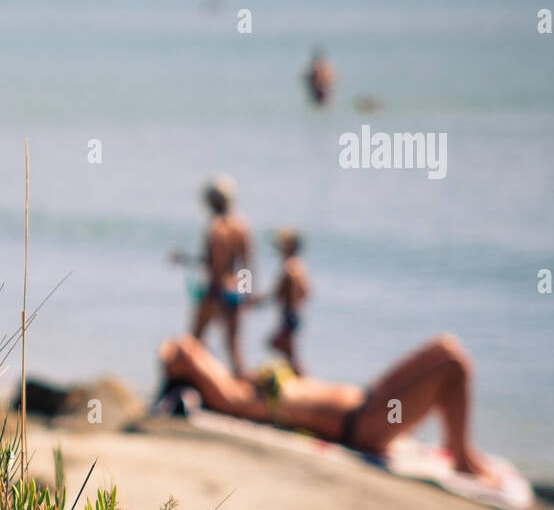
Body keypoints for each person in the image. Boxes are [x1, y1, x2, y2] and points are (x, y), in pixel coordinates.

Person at [157, 333, 496, 480]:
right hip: (362, 423)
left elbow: (188, 349)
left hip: (367, 400)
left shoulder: (242, 385)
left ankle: (459, 448)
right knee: (453, 363)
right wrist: (179, 357)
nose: (203, 353)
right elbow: (181, 350)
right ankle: (460, 454)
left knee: (446, 347)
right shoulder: (233, 398)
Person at [171, 176, 252, 376]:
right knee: (234, 347)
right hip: (236, 289)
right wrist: (247, 292)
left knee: (193, 341)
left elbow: (213, 263)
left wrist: (186, 260)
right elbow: (246, 265)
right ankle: (243, 389)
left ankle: (190, 380)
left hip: (216, 289)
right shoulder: (242, 226)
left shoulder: (215, 227)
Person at [266, 227, 310, 375]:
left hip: (288, 314)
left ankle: (300, 377)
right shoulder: (300, 265)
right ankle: (294, 375)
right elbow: (306, 291)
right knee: (287, 349)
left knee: (279, 345)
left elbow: (276, 293)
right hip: (295, 314)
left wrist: (289, 303)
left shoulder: (289, 267)